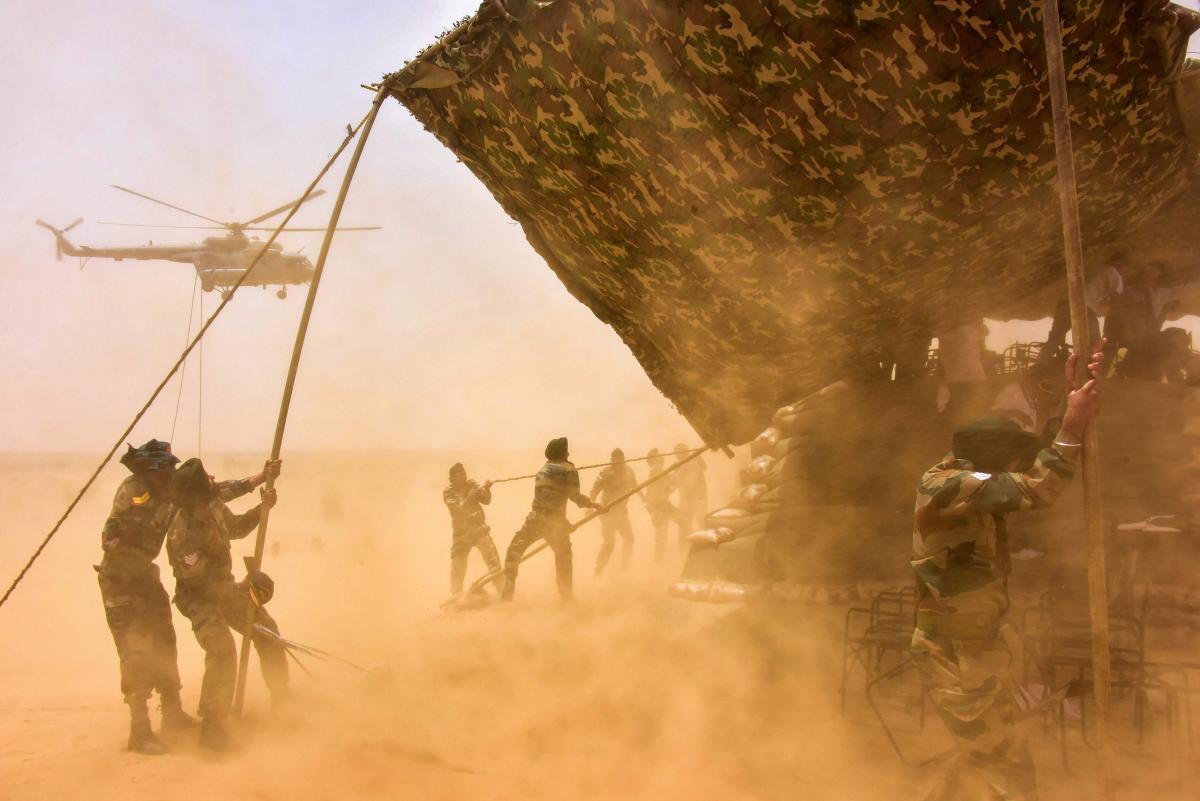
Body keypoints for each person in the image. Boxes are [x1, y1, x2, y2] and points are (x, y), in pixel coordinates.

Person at [910, 343, 1104, 800]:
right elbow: (1039, 484)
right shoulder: (950, 485)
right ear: (991, 465)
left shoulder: (967, 470)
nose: (1019, 468)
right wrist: (1073, 426)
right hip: (958, 658)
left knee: (988, 761)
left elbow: (1028, 461)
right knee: (1007, 773)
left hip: (976, 649)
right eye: (1012, 463)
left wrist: (1069, 399)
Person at [96, 439, 277, 755]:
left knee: (165, 643)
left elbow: (216, 492)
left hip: (147, 579)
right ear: (152, 471)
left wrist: (259, 480)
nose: (171, 473)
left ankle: (173, 714)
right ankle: (139, 732)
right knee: (136, 652)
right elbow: (111, 540)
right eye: (166, 468)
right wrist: (130, 565)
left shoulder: (172, 491)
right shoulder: (134, 493)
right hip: (121, 583)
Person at [165, 458, 289, 751]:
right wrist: (242, 588)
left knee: (269, 633)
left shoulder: (212, 503)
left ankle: (282, 701)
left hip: (226, 588)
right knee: (222, 650)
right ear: (197, 495)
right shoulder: (183, 533)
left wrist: (263, 509)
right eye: (208, 478)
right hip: (197, 599)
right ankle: (212, 728)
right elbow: (199, 584)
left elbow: (236, 527)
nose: (213, 477)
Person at [502, 437, 602, 601]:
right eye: (567, 451)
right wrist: (595, 505)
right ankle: (566, 597)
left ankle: (507, 592)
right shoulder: (569, 469)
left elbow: (549, 496)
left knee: (514, 550)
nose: (569, 453)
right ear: (564, 454)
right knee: (563, 556)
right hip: (554, 521)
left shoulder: (542, 469)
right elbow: (575, 497)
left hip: (535, 518)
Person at [443, 463, 502, 594]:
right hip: (461, 534)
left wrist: (487, 489)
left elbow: (486, 501)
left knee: (493, 562)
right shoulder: (449, 492)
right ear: (452, 479)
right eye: (459, 474)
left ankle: (502, 590)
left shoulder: (472, 484)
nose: (463, 475)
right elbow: (456, 512)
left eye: (464, 472)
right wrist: (470, 498)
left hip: (478, 528)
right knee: (458, 568)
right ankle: (456, 598)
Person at [590, 448, 639, 576]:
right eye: (615, 459)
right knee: (609, 544)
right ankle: (598, 571)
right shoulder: (606, 472)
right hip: (607, 512)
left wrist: (645, 499)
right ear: (611, 460)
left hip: (622, 512)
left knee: (629, 539)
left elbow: (636, 486)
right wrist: (591, 507)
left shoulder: (629, 471)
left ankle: (624, 567)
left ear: (623, 459)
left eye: (620, 458)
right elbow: (594, 491)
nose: (617, 461)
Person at [642, 449, 677, 561]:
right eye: (659, 455)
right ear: (655, 459)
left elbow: (668, 486)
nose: (662, 456)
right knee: (662, 534)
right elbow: (667, 487)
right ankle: (659, 560)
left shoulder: (658, 470)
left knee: (662, 533)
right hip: (658, 506)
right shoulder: (657, 470)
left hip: (660, 505)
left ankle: (660, 559)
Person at [673, 444, 707, 546]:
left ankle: (706, 543)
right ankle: (683, 546)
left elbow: (691, 482)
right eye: (677, 454)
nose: (677, 456)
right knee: (683, 522)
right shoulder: (680, 465)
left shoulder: (693, 463)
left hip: (697, 497)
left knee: (701, 521)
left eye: (679, 454)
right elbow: (675, 481)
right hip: (687, 498)